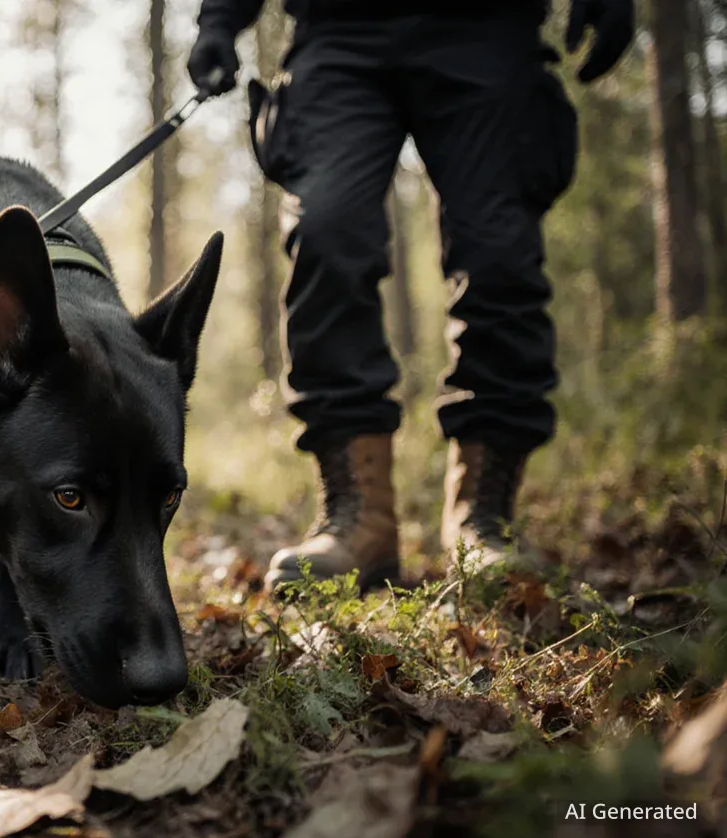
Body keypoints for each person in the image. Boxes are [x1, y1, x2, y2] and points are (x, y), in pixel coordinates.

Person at [186, 0, 634, 591]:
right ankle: (358, 519)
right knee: (327, 232)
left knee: (499, 255)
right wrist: (219, 19)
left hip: (489, 28)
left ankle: (483, 520)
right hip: (339, 31)